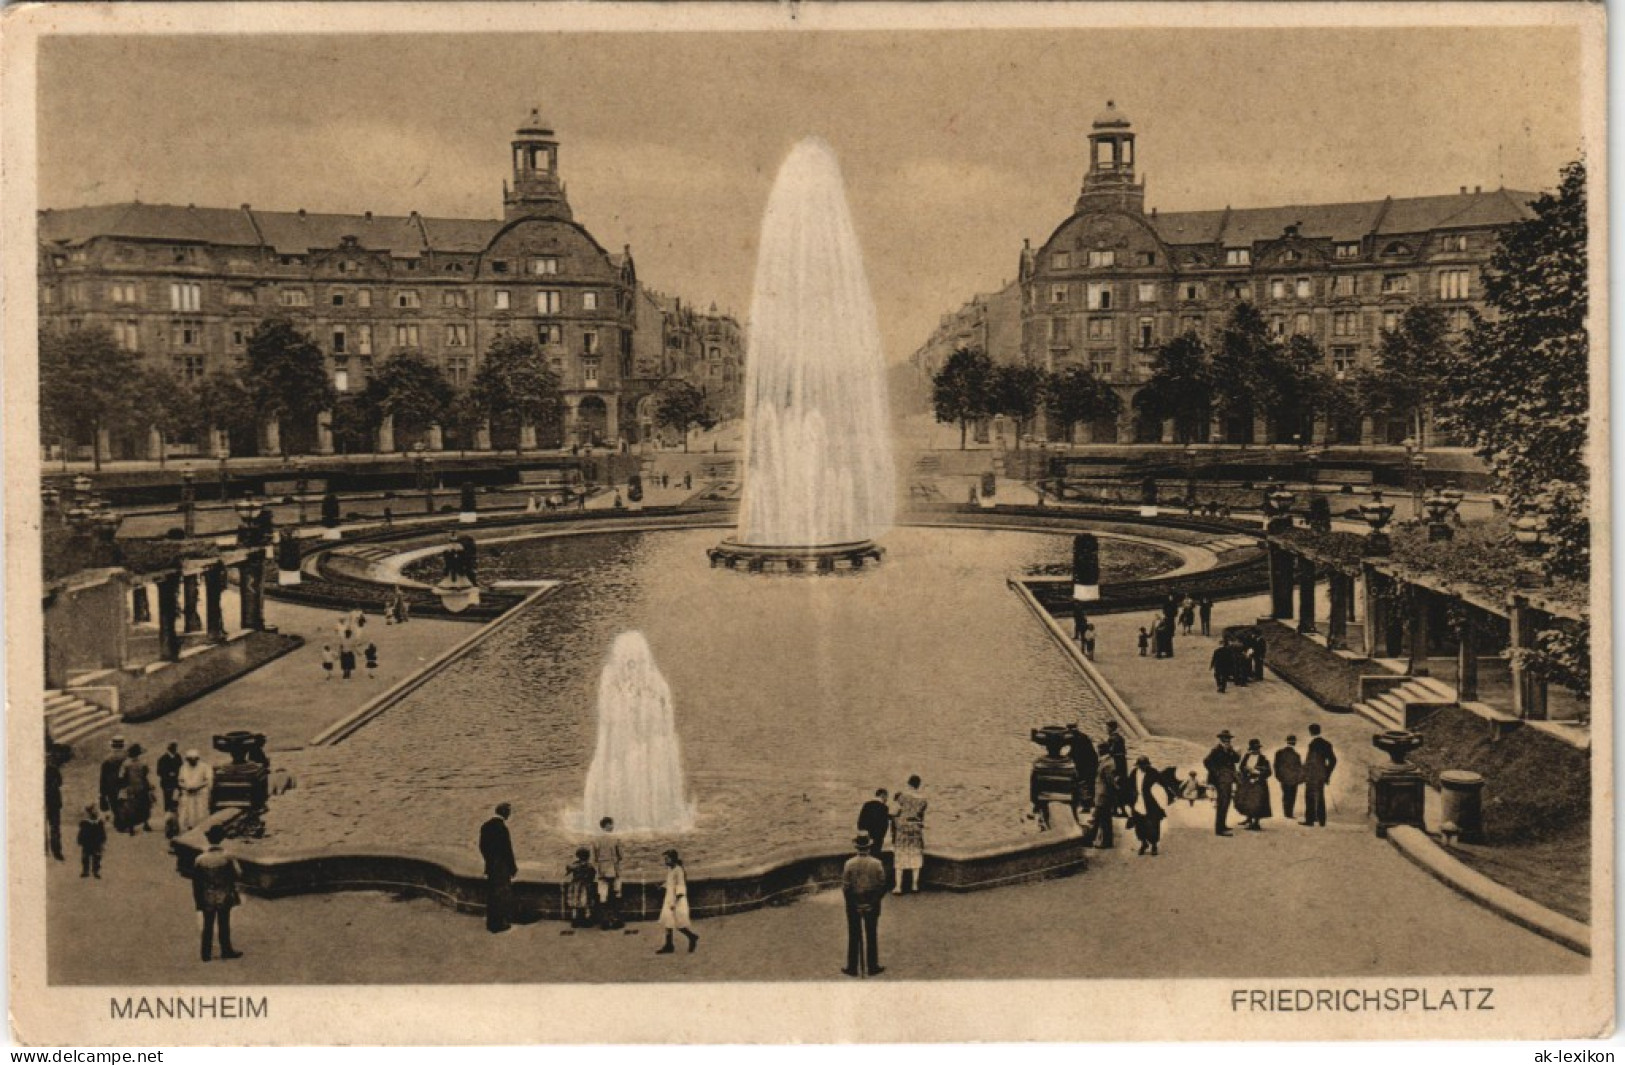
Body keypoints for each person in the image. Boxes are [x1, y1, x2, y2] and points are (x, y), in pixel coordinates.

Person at [192, 825, 243, 961]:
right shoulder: (228, 857)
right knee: (224, 923)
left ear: (208, 839)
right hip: (224, 895)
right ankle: (226, 950)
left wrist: (198, 900)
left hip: (207, 896)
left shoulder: (200, 859)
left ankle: (205, 953)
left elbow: (196, 882)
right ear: (222, 839)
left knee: (207, 924)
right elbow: (238, 874)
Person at [840, 834, 887, 977]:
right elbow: (882, 886)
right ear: (869, 847)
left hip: (853, 902)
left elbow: (846, 888)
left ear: (856, 847)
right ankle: (872, 966)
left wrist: (854, 904)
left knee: (854, 935)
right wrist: (872, 903)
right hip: (872, 901)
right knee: (871, 934)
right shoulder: (877, 863)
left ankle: (852, 967)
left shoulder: (849, 864)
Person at [478, 802, 518, 933]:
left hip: (491, 865)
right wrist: (512, 868)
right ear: (504, 813)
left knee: (492, 894)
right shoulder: (502, 828)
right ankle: (499, 924)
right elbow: (507, 850)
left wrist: (488, 861)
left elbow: (482, 847)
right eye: (508, 812)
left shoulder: (485, 826)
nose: (509, 815)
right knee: (501, 895)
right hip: (501, 867)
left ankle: (492, 923)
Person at [655, 850, 700, 954]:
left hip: (677, 901)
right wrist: (662, 886)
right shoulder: (671, 869)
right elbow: (670, 882)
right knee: (668, 922)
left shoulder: (679, 871)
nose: (665, 861)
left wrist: (674, 903)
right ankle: (669, 945)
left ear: (673, 859)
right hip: (669, 899)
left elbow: (681, 887)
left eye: (667, 858)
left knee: (679, 924)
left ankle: (692, 937)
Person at [890, 776, 927, 894]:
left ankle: (898, 887)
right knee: (916, 856)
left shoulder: (902, 796)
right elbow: (921, 816)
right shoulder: (923, 800)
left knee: (900, 858)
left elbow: (893, 812)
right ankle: (914, 885)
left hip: (903, 830)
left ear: (908, 783)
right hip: (916, 829)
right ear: (918, 785)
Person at [1127, 755, 1166, 856]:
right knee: (1139, 824)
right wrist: (1131, 797)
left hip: (1151, 803)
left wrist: (1161, 801)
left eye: (1144, 765)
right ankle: (1143, 843)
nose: (1142, 767)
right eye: (1140, 765)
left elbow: (1162, 786)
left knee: (1153, 825)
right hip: (1137, 802)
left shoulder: (1153, 772)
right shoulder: (1134, 772)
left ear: (1148, 765)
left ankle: (1154, 845)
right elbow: (1129, 786)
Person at [1204, 730, 1240, 836]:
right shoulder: (1216, 750)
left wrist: (1232, 751)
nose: (1227, 741)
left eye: (1229, 739)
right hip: (1220, 781)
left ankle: (1222, 825)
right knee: (1222, 804)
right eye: (1225, 739)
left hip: (1228, 780)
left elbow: (1236, 760)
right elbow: (1206, 761)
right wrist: (1217, 773)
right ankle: (1219, 830)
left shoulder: (1229, 749)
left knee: (1226, 802)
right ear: (1221, 739)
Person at [1081, 745, 1116, 849]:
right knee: (1101, 818)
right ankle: (1096, 840)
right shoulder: (1106, 762)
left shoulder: (1108, 764)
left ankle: (1098, 841)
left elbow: (1110, 781)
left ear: (1101, 751)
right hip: (1102, 794)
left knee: (1101, 818)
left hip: (1103, 795)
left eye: (1099, 750)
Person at [1302, 724, 1337, 827]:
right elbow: (1333, 760)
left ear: (1310, 732)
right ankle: (1322, 821)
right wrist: (1327, 773)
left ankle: (1310, 820)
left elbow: (1310, 761)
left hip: (1312, 775)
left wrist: (1305, 773)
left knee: (1309, 796)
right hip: (1321, 775)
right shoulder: (1326, 744)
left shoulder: (1312, 744)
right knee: (1320, 796)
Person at [592, 817, 624, 928]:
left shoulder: (596, 839)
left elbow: (594, 857)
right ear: (607, 825)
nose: (612, 826)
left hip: (602, 870)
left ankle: (604, 921)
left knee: (603, 896)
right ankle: (616, 920)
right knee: (616, 893)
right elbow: (621, 855)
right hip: (614, 870)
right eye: (611, 824)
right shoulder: (616, 838)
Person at [1235, 738, 1273, 830]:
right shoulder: (1247, 756)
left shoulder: (1263, 758)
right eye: (1253, 748)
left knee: (1257, 803)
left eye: (1257, 748)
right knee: (1246, 801)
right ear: (1250, 748)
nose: (1255, 750)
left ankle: (1256, 823)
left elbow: (1269, 772)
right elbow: (1241, 767)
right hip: (1247, 782)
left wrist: (1257, 773)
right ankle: (1248, 819)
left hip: (1258, 783)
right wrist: (1246, 770)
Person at [119, 743, 154, 835]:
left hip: (131, 788)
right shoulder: (143, 763)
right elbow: (146, 774)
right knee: (145, 805)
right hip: (142, 787)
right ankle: (146, 824)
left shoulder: (126, 764)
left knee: (131, 808)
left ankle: (131, 827)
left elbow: (122, 777)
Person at [177, 749, 213, 833]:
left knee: (200, 811)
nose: (191, 762)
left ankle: (201, 829)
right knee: (188, 812)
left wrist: (198, 786)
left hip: (200, 794)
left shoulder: (205, 767)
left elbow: (208, 780)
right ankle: (189, 828)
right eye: (189, 760)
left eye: (193, 760)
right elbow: (180, 780)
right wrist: (185, 787)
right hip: (188, 793)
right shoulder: (183, 767)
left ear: (197, 759)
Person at [98, 736, 127, 832]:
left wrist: (102, 791)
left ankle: (118, 821)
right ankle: (123, 821)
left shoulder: (107, 759)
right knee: (123, 803)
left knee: (114, 804)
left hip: (111, 786)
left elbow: (103, 776)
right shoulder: (126, 757)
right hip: (124, 784)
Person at [1273, 735, 1304, 821]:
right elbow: (1299, 768)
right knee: (1292, 795)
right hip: (1293, 779)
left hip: (1284, 778)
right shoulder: (1296, 755)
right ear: (1294, 742)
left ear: (1286, 741)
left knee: (1286, 794)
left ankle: (1287, 813)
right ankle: (1289, 813)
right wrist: (1300, 779)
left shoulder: (1279, 752)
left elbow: (1276, 766)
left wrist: (1279, 777)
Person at [564, 848, 596, 929]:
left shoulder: (574, 865)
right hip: (586, 886)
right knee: (586, 904)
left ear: (578, 856)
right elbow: (593, 875)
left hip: (575, 885)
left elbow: (568, 871)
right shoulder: (589, 866)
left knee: (575, 904)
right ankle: (587, 920)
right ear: (588, 856)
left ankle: (575, 920)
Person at [856, 789, 891, 858]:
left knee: (865, 855)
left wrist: (863, 833)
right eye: (886, 797)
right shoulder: (884, 807)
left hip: (866, 836)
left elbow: (860, 822)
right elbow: (884, 825)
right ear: (883, 795)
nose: (886, 799)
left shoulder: (866, 805)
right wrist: (881, 837)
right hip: (877, 837)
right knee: (875, 855)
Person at [77, 803, 106, 878]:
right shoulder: (85, 823)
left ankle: (96, 871)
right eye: (94, 811)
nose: (96, 812)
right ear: (89, 812)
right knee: (85, 857)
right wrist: (80, 840)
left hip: (96, 843)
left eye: (96, 811)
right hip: (87, 843)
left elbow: (102, 832)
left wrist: (102, 840)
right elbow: (81, 833)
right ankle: (85, 871)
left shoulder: (99, 822)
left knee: (97, 857)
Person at [45, 750, 65, 861]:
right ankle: (56, 852)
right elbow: (60, 782)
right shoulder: (54, 770)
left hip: (47, 802)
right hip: (53, 803)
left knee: (49, 828)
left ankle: (46, 851)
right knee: (55, 828)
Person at [157, 742, 182, 815]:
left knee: (176, 802)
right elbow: (159, 772)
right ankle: (168, 820)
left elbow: (182, 768)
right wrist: (168, 774)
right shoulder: (163, 759)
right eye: (173, 748)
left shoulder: (178, 757)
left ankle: (176, 818)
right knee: (168, 802)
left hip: (177, 783)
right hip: (167, 784)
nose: (175, 749)